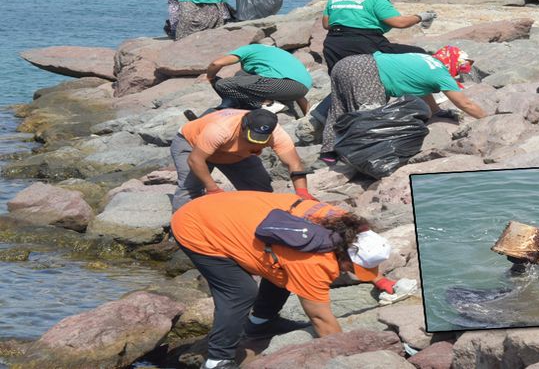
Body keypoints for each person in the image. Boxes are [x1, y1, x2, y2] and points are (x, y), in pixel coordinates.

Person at [170, 191, 393, 369]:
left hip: (229, 208)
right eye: (352, 268)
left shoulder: (344, 223)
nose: (350, 272)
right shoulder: (313, 260)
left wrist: (379, 280)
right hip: (196, 225)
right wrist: (347, 358)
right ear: (344, 253)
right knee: (240, 292)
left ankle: (261, 323)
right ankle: (217, 360)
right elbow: (320, 318)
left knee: (281, 270)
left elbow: (361, 256)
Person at [309, 0, 438, 124]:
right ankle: (430, 109)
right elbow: (399, 22)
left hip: (333, 44)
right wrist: (421, 16)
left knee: (345, 79)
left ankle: (322, 114)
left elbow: (326, 24)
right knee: (417, 57)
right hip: (365, 42)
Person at [319, 50, 487, 163]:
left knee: (339, 108)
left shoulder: (425, 59)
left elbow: (422, 88)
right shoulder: (440, 72)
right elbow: (465, 103)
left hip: (347, 63)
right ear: (454, 62)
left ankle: (329, 151)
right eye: (461, 68)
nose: (460, 72)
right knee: (371, 116)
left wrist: (436, 111)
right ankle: (363, 156)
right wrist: (489, 120)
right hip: (368, 72)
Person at [170, 108, 314, 211]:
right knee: (190, 188)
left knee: (261, 191)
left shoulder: (276, 133)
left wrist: (302, 191)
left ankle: (259, 221)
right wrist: (213, 189)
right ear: (243, 126)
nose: (257, 143)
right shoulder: (220, 129)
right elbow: (195, 160)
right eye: (253, 138)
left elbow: (294, 163)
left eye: (261, 140)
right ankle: (179, 233)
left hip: (235, 153)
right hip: (191, 143)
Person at [206, 43, 312, 115]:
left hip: (283, 85)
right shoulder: (275, 54)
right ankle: (232, 105)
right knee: (241, 75)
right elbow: (299, 93)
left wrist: (210, 77)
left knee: (223, 84)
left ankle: (268, 104)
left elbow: (216, 63)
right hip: (300, 88)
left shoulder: (249, 49)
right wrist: (308, 116)